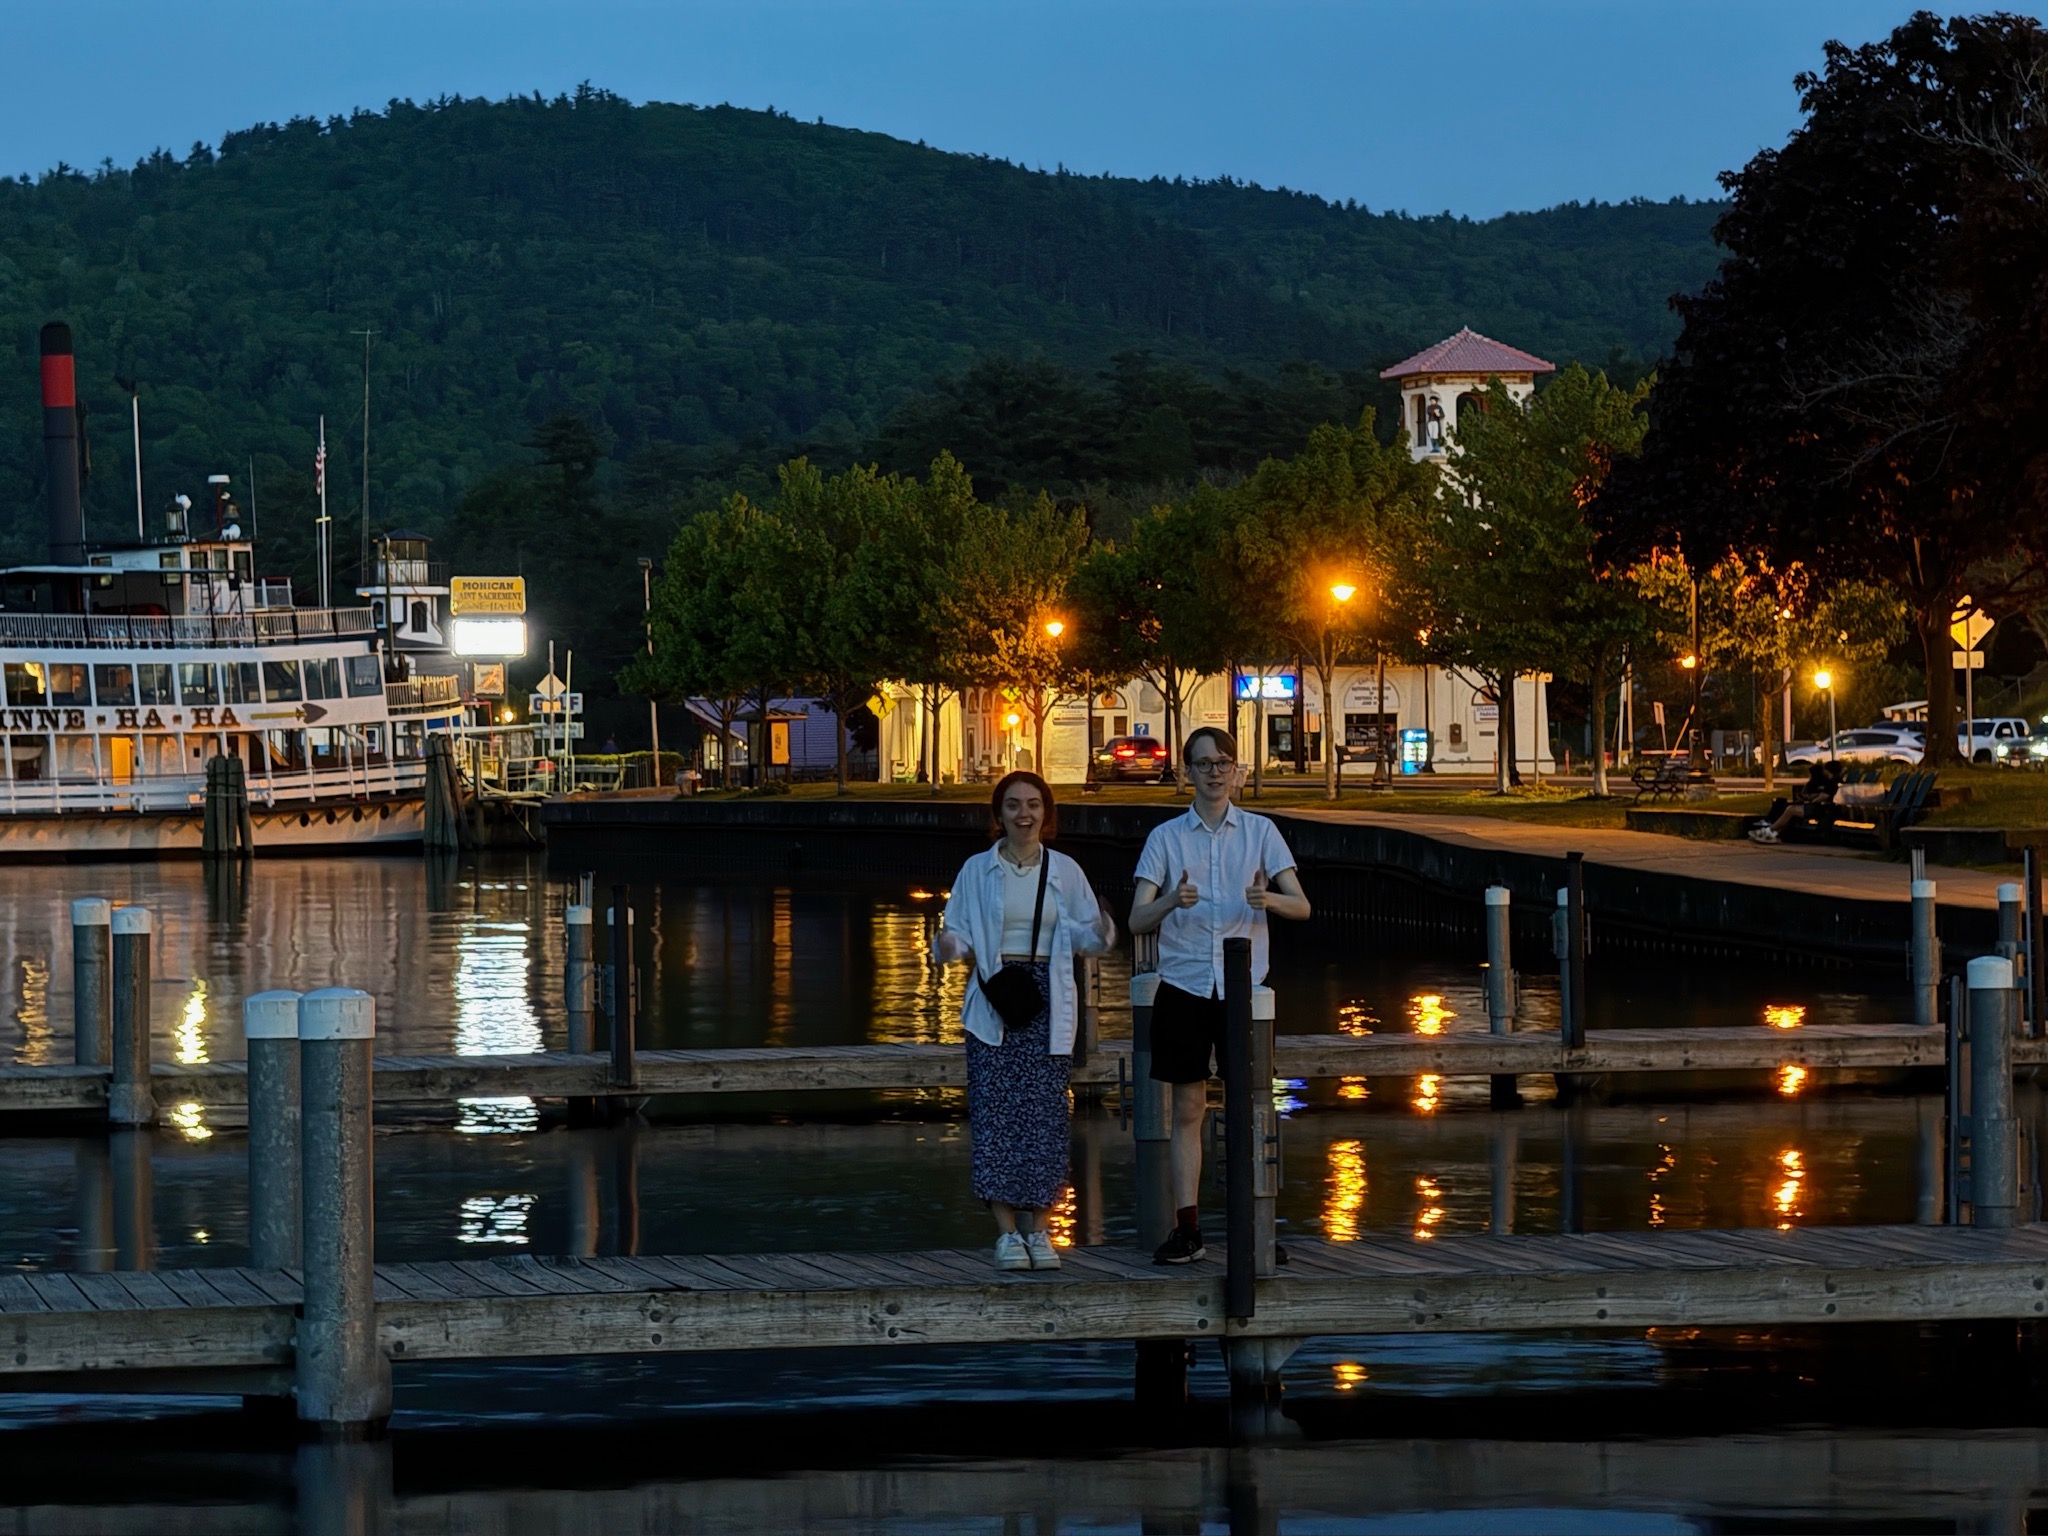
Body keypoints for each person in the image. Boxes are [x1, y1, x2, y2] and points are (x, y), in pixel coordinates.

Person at [1128, 727, 1311, 1264]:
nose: (1213, 772)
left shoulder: (1261, 832)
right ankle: (1189, 1230)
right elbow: (1137, 917)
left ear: (1236, 771)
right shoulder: (1166, 838)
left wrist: (1268, 899)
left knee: (1250, 1108)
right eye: (1203, 763)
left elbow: (1301, 906)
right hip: (1184, 985)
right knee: (1187, 1109)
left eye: (1222, 762)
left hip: (1244, 988)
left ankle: (1253, 1230)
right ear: (1187, 771)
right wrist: (1170, 901)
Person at [935, 770, 1117, 1271]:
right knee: (995, 1118)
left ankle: (1041, 1230)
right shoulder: (977, 870)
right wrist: (948, 946)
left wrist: (1103, 932)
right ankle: (1006, 1233)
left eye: (1033, 805)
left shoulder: (1065, 870)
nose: (1024, 814)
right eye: (1013, 805)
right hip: (995, 1000)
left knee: (1044, 1120)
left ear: (1046, 813)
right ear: (999, 815)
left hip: (1048, 998)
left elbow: (1085, 936)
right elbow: (960, 935)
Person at [1748, 759, 1843, 843]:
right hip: (1822, 808)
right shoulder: (1831, 782)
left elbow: (1823, 797)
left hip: (1822, 809)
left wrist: (1810, 801)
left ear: (1827, 770)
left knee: (1791, 810)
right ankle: (1774, 833)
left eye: (1825, 769)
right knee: (1788, 808)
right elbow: (1820, 794)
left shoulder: (1832, 783)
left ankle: (1770, 830)